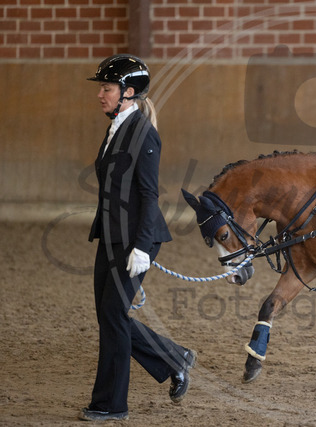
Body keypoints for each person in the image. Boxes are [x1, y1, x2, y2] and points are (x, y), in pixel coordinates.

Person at [80, 54, 196, 422]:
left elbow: (149, 195)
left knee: (114, 315)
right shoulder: (117, 127)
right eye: (102, 88)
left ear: (128, 92)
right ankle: (175, 358)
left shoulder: (143, 133)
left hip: (136, 238)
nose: (101, 94)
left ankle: (111, 404)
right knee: (109, 316)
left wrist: (143, 247)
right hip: (111, 234)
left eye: (107, 88)